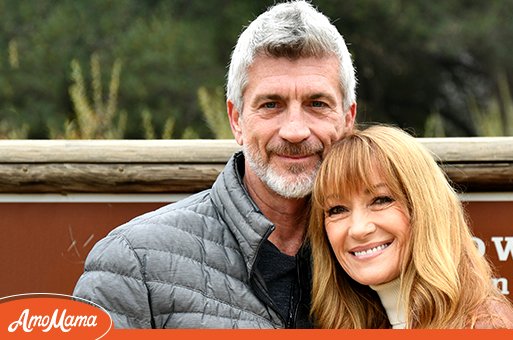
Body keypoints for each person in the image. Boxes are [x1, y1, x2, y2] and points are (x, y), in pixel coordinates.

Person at [73, 0, 356, 328]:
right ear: (236, 120)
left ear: (347, 120)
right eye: (271, 104)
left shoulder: (379, 256)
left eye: (317, 104)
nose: (295, 131)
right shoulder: (135, 265)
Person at [308, 125, 513, 329]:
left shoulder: (487, 326)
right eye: (337, 209)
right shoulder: (367, 320)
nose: (358, 228)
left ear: (424, 207)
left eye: (381, 200)